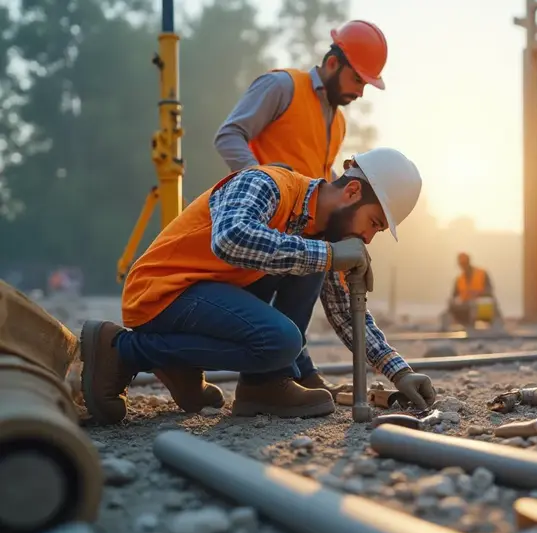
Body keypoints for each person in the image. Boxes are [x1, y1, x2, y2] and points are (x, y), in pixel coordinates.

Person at [78, 148, 437, 426]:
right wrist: (329, 254)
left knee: (308, 264)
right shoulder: (268, 183)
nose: (369, 239)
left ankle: (263, 384)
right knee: (282, 340)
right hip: (162, 293)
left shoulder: (319, 231)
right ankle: (123, 350)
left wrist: (399, 372)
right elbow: (231, 238)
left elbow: (344, 312)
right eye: (373, 223)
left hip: (204, 296)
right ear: (352, 191)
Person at [212, 20, 388, 395]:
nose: (361, 92)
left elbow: (322, 180)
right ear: (332, 63)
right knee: (294, 277)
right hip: (260, 222)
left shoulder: (337, 123)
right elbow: (229, 135)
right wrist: (261, 188)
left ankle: (292, 367)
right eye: (358, 80)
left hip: (302, 223)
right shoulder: (281, 87)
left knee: (316, 264)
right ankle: (274, 376)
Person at [442, 253, 502, 330]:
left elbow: (489, 290)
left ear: (469, 262)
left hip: (482, 305)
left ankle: (497, 326)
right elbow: (454, 296)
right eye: (461, 264)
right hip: (466, 306)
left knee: (487, 303)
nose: (463, 266)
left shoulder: (482, 273)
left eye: (464, 263)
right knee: (450, 308)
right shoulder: (459, 279)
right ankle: (463, 326)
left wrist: (478, 294)